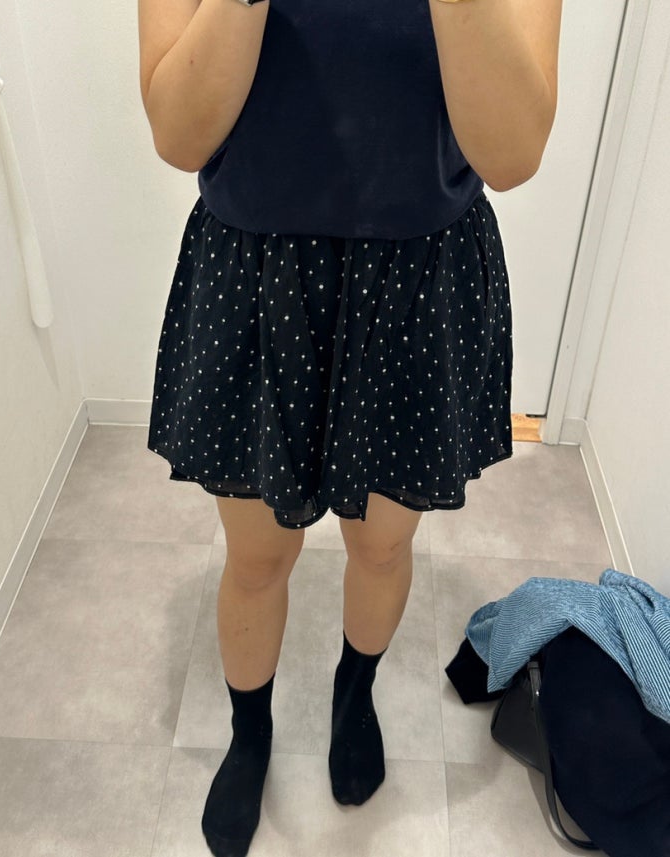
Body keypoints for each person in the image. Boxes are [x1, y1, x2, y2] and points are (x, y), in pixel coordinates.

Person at [137, 1, 563, 855]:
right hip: (257, 273)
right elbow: (179, 137)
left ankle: (353, 691)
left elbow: (512, 155)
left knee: (381, 544)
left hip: (417, 275)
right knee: (256, 556)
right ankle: (249, 732)